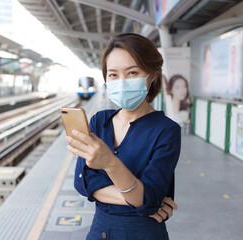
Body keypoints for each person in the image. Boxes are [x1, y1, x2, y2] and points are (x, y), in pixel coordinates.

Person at [66, 33, 181, 239]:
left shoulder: (166, 130)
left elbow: (147, 197)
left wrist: (110, 163)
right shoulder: (99, 121)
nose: (122, 81)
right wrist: (144, 200)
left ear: (152, 75)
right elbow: (82, 182)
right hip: (98, 231)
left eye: (132, 72)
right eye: (113, 75)